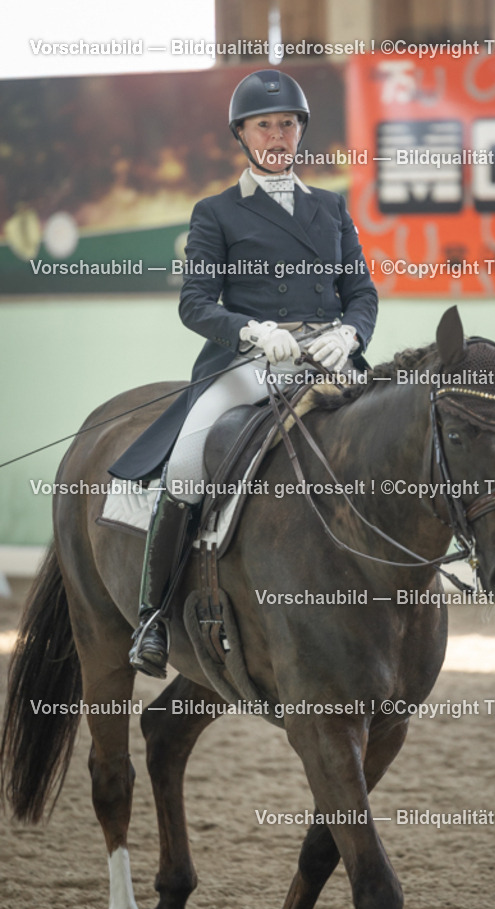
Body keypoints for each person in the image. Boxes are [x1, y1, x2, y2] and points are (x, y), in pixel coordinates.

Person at [109, 69, 378, 678]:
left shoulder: (332, 207)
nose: (278, 135)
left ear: (300, 131)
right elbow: (195, 304)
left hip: (328, 359)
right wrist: (252, 331)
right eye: (266, 125)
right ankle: (154, 615)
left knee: (402, 432)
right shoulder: (216, 213)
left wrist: (349, 333)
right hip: (252, 362)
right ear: (243, 134)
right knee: (184, 462)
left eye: (288, 124)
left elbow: (361, 291)